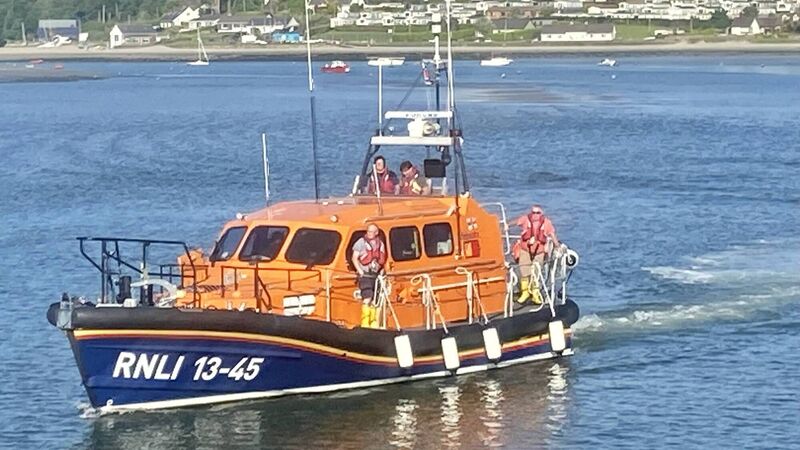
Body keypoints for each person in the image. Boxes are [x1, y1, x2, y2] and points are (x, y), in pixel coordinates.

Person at [515, 205, 559, 304]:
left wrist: (557, 245)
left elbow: (551, 234)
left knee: (536, 272)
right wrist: (505, 225)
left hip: (539, 251)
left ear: (541, 214)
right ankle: (525, 292)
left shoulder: (546, 223)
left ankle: (535, 293)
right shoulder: (525, 219)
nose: (535, 215)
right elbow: (516, 222)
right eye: (533, 212)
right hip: (525, 249)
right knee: (524, 271)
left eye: (537, 213)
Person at [351, 223, 387, 327]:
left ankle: (374, 323)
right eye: (368, 231)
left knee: (375, 300)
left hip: (375, 275)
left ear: (376, 233)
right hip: (365, 275)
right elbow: (354, 258)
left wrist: (381, 271)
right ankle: (365, 324)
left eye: (372, 232)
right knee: (367, 298)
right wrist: (360, 271)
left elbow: (382, 259)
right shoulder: (360, 243)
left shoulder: (380, 244)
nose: (369, 233)